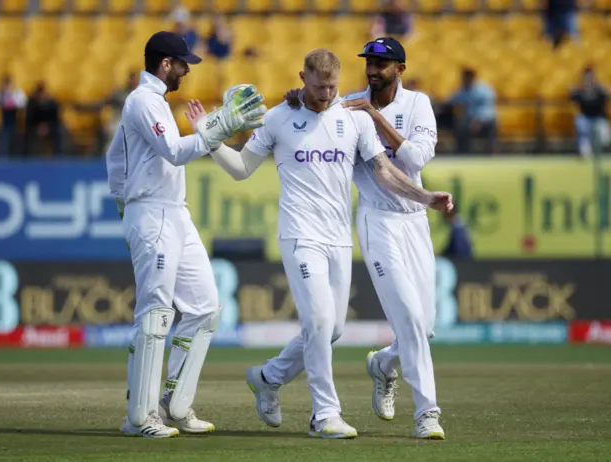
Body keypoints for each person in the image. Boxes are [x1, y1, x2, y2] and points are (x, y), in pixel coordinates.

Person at [185, 48, 452, 439]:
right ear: (301, 79)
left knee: (333, 329)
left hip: (338, 239)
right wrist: (209, 140)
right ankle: (324, 415)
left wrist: (425, 197)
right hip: (300, 234)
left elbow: (384, 172)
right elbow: (242, 168)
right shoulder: (280, 117)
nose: (326, 94)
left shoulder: (354, 118)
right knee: (319, 321)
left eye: (332, 86)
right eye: (318, 86)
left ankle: (267, 377)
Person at [283, 37, 447, 439]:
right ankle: (428, 413)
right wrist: (297, 98)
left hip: (415, 222)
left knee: (424, 329)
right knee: (408, 318)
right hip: (377, 222)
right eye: (369, 63)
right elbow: (314, 112)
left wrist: (374, 117)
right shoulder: (347, 104)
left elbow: (415, 160)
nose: (373, 70)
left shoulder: (416, 104)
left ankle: (383, 365)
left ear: (400, 70)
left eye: (382, 64)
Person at [105, 31, 266, 438]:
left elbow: (164, 150)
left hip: (175, 212)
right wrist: (222, 123)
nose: (186, 71)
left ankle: (174, 404)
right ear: (165, 65)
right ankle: (139, 418)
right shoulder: (142, 101)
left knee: (205, 307)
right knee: (156, 312)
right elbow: (174, 151)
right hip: (152, 212)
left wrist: (211, 127)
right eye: (182, 64)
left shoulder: (155, 102)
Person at [570, 66, 609, 157]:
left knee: (604, 138)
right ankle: (585, 150)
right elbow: (572, 100)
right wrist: (572, 92)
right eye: (586, 77)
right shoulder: (580, 91)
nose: (588, 80)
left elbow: (606, 98)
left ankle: (601, 149)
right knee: (580, 122)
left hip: (598, 117)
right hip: (585, 118)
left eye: (591, 77)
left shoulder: (600, 90)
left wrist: (605, 91)